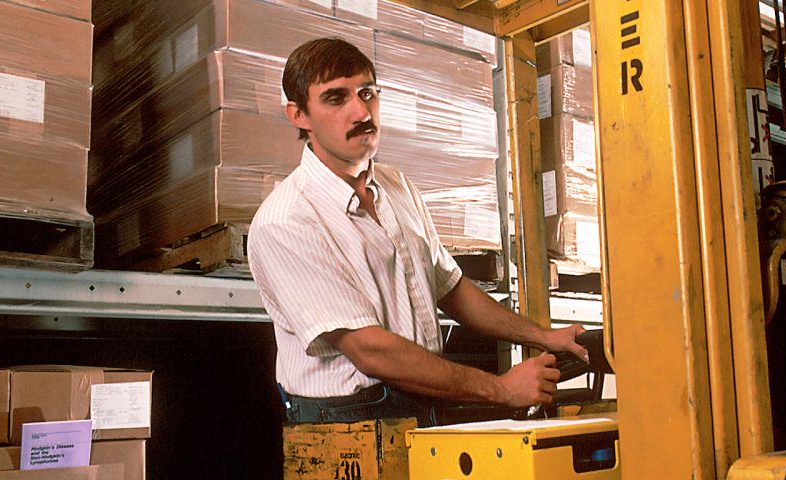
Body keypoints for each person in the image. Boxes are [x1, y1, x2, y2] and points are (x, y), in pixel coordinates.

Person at [249, 37, 588, 427]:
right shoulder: (288, 220)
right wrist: (502, 389)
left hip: (421, 397)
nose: (361, 111)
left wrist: (543, 337)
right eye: (336, 98)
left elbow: (450, 287)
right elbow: (370, 351)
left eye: (367, 92)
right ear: (299, 115)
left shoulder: (397, 186)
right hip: (346, 420)